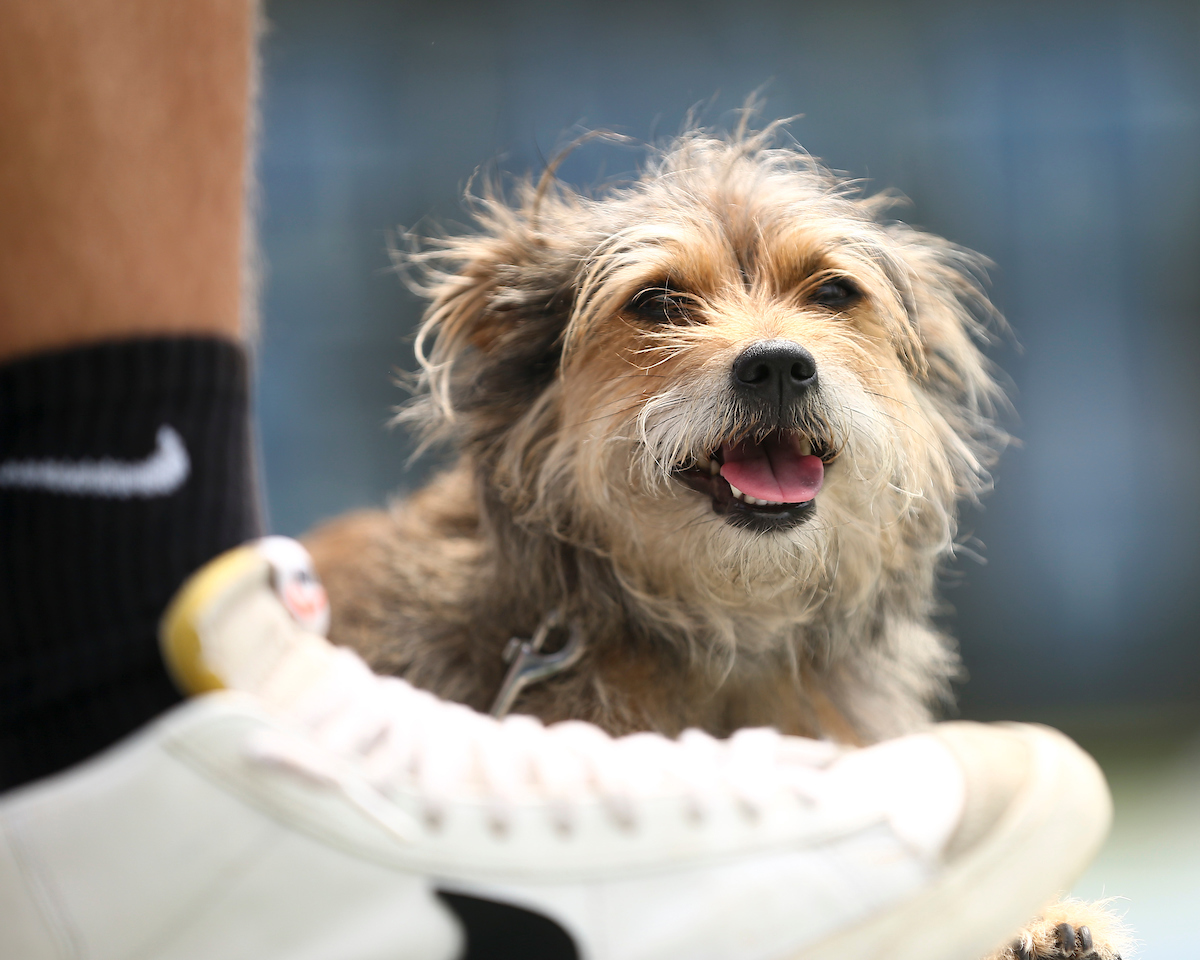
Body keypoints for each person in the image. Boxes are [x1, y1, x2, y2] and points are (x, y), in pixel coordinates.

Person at [0, 2, 1111, 959]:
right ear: (523, 389)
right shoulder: (419, 652)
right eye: (659, 307)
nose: (771, 348)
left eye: (831, 297)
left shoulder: (861, 695)